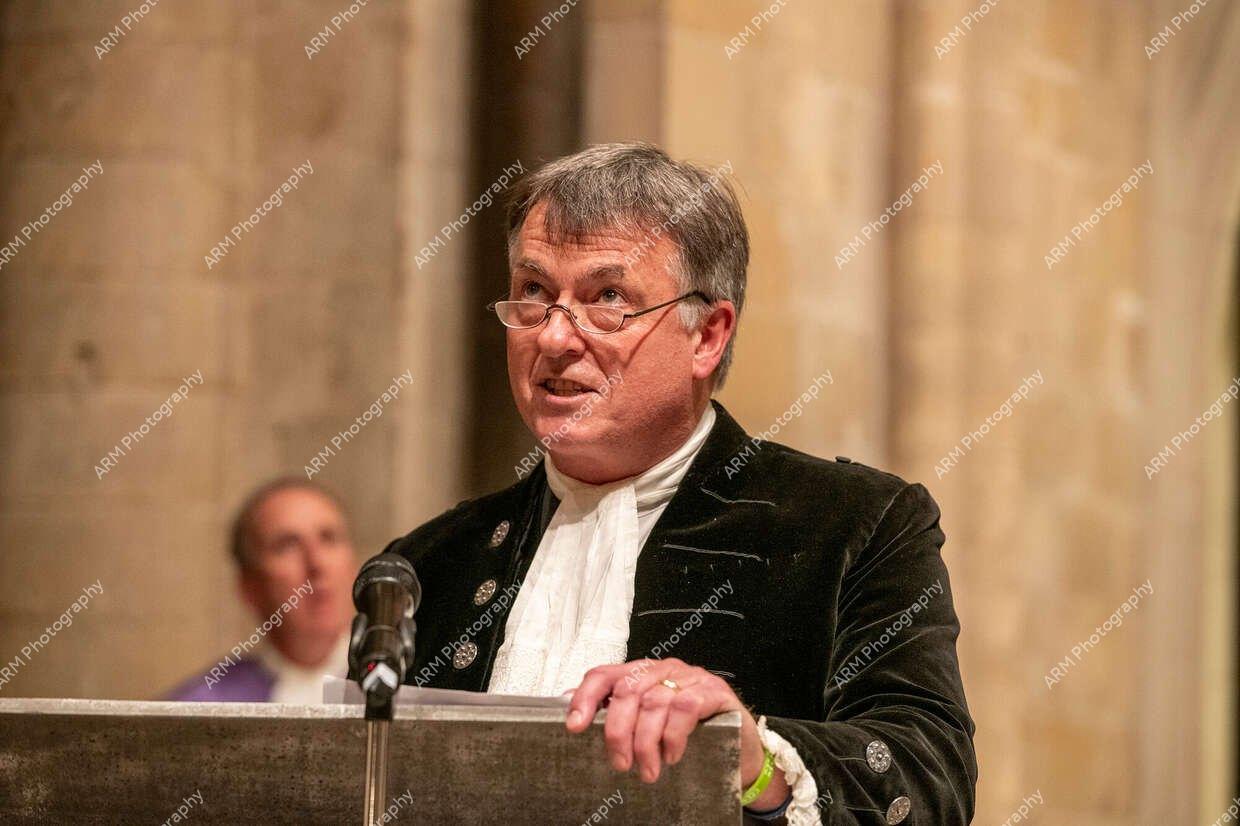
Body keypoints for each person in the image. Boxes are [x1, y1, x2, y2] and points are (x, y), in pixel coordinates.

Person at [377, 143, 976, 824]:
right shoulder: (426, 565)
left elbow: (929, 778)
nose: (553, 338)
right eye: (535, 293)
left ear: (707, 336)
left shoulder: (853, 526)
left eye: (607, 298)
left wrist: (758, 761)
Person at [164, 478, 357, 703]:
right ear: (249, 586)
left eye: (329, 538)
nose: (317, 563)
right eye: (287, 545)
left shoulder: (391, 687)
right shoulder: (200, 707)